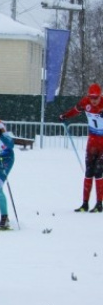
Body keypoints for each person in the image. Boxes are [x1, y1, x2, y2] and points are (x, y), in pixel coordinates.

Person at [60, 83, 103, 212]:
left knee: (98, 172)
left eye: (96, 98)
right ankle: (85, 204)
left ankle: (99, 204)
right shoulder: (85, 102)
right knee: (88, 173)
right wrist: (65, 116)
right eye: (91, 97)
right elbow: (75, 110)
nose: (94, 100)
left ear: (100, 96)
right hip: (92, 142)